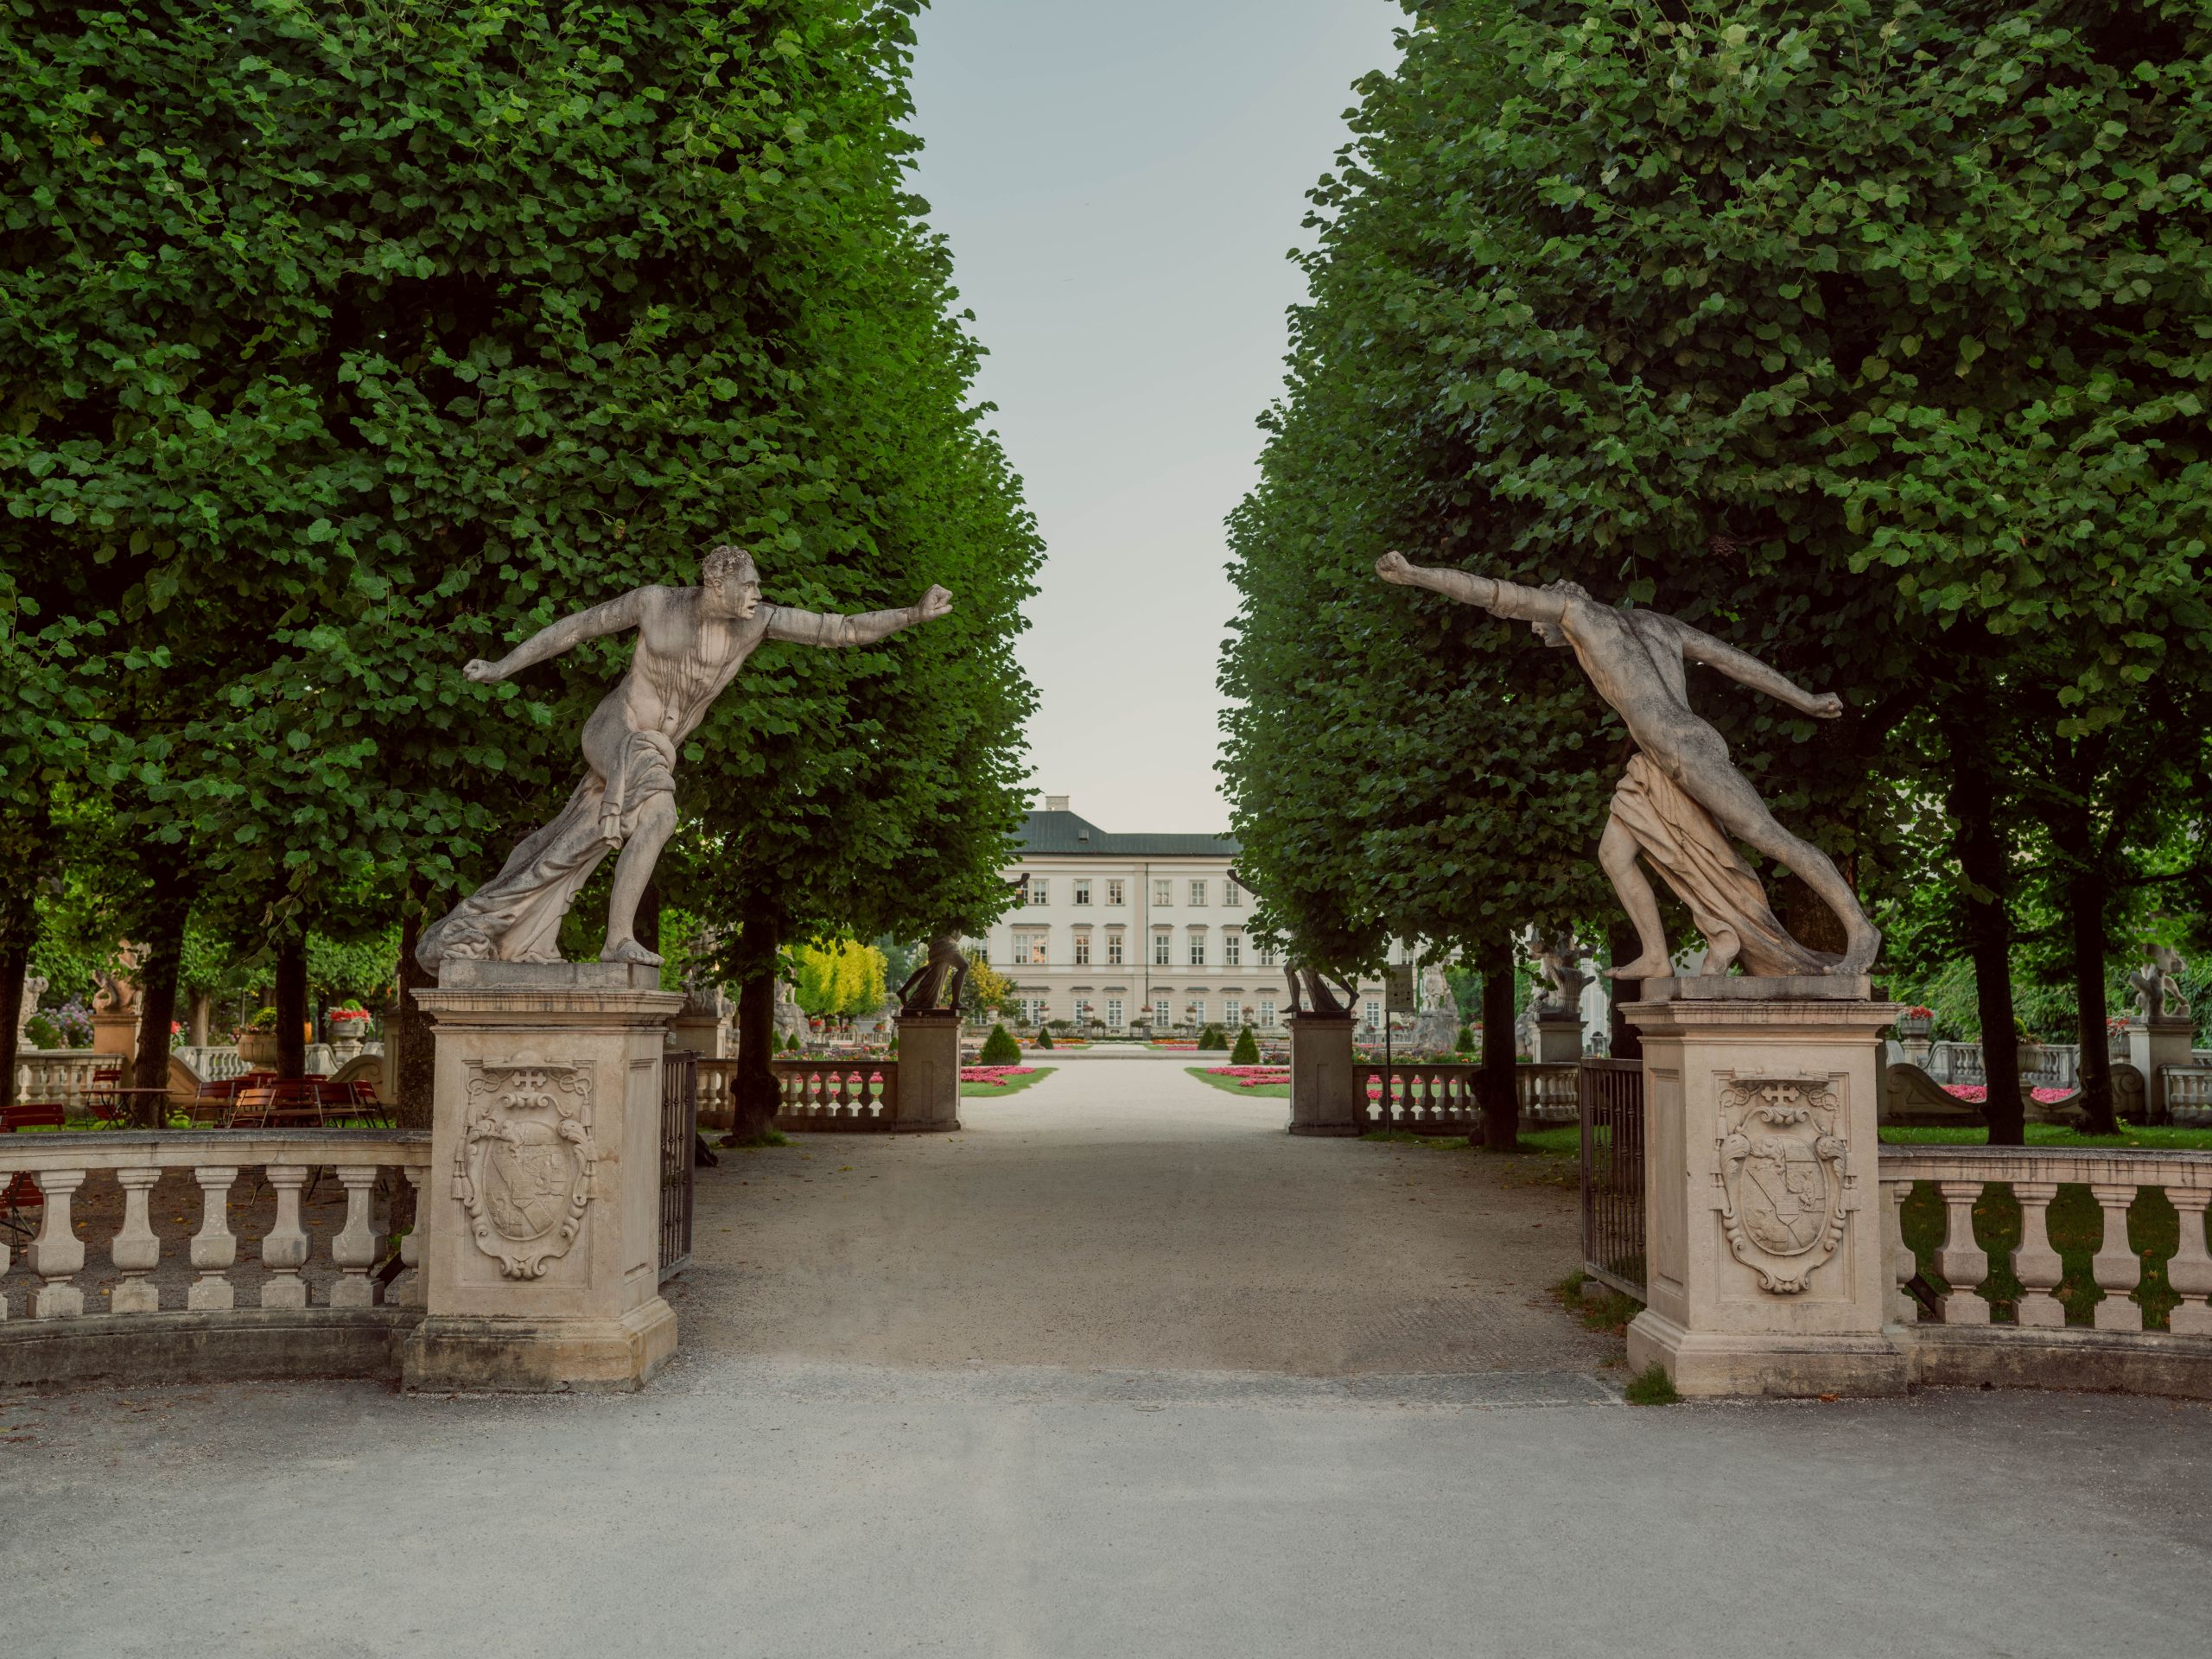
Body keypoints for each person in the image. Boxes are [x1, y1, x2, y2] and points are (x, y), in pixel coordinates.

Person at [420, 545, 952, 971]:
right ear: (716, 584)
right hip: (617, 732)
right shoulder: (655, 603)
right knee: (660, 810)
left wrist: (911, 614)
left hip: (658, 750)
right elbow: (575, 628)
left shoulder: (756, 622)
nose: (758, 594)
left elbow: (840, 629)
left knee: (602, 834)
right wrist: (502, 667)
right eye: (749, 585)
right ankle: (618, 940)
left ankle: (497, 919)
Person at [1374, 552, 1878, 977]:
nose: (1543, 636)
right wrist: (1803, 700)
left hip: (1682, 750)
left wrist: (1416, 574)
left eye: (1540, 628)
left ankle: (1860, 930)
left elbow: (1493, 594)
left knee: (1768, 836)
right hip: (1661, 758)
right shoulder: (1658, 624)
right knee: (1615, 855)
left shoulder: (1574, 612)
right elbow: (1733, 660)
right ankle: (1658, 956)